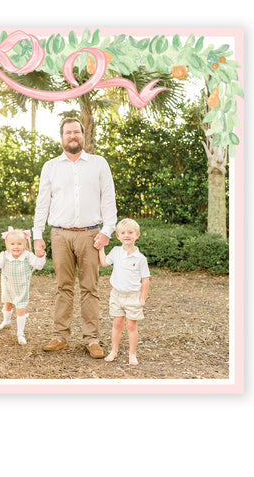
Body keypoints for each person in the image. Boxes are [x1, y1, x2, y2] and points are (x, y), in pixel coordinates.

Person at [33, 117, 117, 358]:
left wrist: (106, 231)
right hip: (60, 235)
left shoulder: (99, 164)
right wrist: (37, 235)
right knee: (63, 287)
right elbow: (42, 203)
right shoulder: (51, 166)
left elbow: (108, 199)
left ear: (83, 135)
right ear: (61, 137)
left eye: (76, 132)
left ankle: (92, 339)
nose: (73, 136)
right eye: (68, 132)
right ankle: (60, 336)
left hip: (90, 234)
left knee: (90, 288)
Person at [0, 226, 46, 345]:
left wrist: (40, 257)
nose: (16, 246)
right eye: (12, 244)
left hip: (21, 288)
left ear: (25, 244)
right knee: (8, 304)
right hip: (8, 286)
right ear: (7, 245)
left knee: (20, 309)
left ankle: (20, 333)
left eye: (19, 244)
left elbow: (38, 265)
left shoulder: (27, 256)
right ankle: (6, 322)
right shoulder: (5, 256)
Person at [98, 218, 150, 365]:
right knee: (117, 324)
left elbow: (145, 280)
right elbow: (104, 263)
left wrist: (142, 298)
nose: (126, 235)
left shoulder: (140, 258)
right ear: (118, 236)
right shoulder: (116, 251)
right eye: (123, 233)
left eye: (130, 232)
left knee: (131, 325)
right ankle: (114, 351)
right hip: (116, 295)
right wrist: (101, 248)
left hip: (133, 296)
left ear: (137, 235)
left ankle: (132, 354)